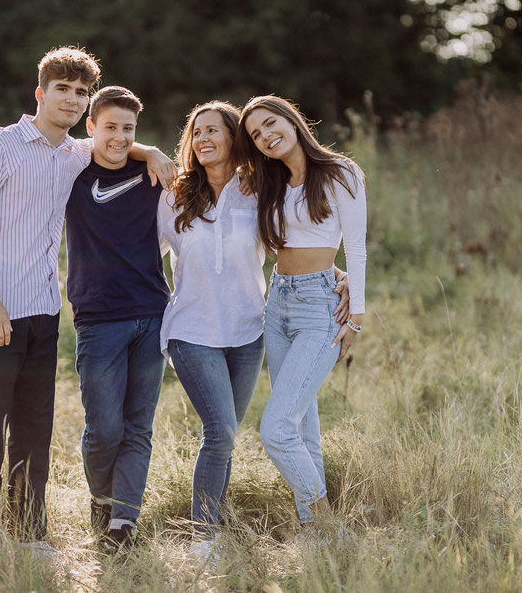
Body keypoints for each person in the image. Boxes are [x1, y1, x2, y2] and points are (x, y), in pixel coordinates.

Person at [0, 48, 173, 553]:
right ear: (40, 93)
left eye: (80, 93)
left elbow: (116, 145)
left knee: (34, 428)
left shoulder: (75, 153)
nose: (71, 100)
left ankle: (29, 532)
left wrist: (152, 152)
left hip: (44, 310)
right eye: (62, 90)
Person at [157, 101, 350, 561]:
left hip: (248, 332)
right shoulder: (172, 194)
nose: (203, 139)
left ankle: (233, 530)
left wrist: (335, 275)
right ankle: (204, 536)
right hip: (192, 329)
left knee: (229, 432)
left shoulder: (258, 190)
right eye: (196, 132)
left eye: (214, 131)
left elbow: (294, 242)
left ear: (233, 140)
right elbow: (142, 255)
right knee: (221, 431)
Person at [234, 95, 366, 540]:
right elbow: (200, 164)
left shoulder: (340, 172)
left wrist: (357, 314)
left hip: (320, 307)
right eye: (256, 134)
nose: (266, 136)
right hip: (279, 302)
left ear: (291, 121)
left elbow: (358, 246)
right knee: (300, 424)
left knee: (275, 429)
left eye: (271, 124)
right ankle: (317, 535)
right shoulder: (266, 182)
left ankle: (328, 525)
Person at [65, 86, 169, 550]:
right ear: (91, 127)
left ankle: (123, 523)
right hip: (98, 317)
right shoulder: (71, 170)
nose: (120, 137)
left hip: (151, 312)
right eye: (110, 127)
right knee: (104, 428)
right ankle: (101, 499)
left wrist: (151, 153)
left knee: (138, 426)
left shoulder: (153, 174)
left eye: (129, 129)